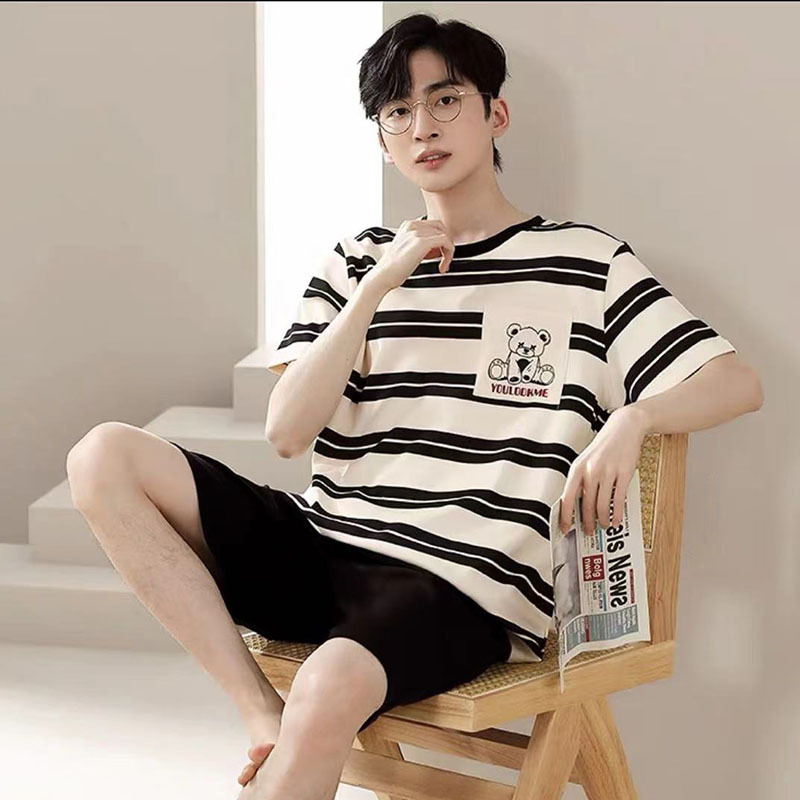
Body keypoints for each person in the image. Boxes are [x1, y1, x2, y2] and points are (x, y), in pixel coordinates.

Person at [66, 12, 763, 800]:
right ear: (381, 141)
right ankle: (259, 712)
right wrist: (375, 288)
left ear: (495, 114)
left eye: (445, 100)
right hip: (322, 544)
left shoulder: (582, 262)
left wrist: (635, 417)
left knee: (329, 683)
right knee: (102, 457)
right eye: (397, 112)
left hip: (460, 583)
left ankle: (288, 735)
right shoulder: (357, 261)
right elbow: (287, 432)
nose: (422, 126)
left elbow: (735, 380)